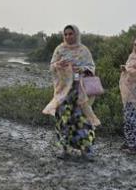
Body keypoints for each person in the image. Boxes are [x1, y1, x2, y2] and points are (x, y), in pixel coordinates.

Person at [42, 25, 101, 160]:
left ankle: (86, 150)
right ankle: (65, 150)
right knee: (64, 119)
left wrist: (81, 69)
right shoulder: (59, 49)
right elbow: (51, 67)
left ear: (76, 35)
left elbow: (91, 67)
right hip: (63, 91)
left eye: (71, 34)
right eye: (66, 34)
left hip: (79, 90)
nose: (68, 37)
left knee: (82, 119)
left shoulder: (83, 50)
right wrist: (58, 65)